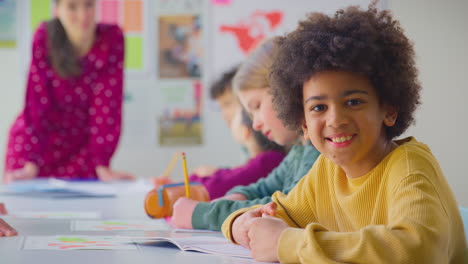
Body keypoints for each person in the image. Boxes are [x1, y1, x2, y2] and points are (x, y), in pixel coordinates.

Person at [222, 5, 467, 263]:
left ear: (389, 110)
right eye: (318, 107)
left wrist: (288, 243)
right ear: (303, 123)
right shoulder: (326, 171)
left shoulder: (409, 167)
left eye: (353, 102)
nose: (335, 119)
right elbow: (274, 215)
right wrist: (240, 224)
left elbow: (417, 250)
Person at [170, 38, 321, 230]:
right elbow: (263, 188)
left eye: (257, 106)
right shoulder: (300, 150)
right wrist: (239, 195)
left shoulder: (317, 152)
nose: (255, 124)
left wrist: (203, 215)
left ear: (286, 93)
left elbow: (288, 209)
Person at [3, 0, 133, 183]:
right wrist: (32, 162)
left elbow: (107, 104)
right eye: (72, 7)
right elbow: (38, 102)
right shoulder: (44, 37)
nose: (83, 15)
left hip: (82, 149)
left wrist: (102, 163)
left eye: (88, 5)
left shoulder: (112, 38)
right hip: (37, 144)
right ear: (57, 10)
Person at [154, 108, 287, 200]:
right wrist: (179, 184)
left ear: (246, 130)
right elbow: (232, 175)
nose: (226, 117)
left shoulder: (268, 160)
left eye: (235, 115)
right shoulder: (263, 160)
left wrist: (186, 184)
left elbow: (214, 188)